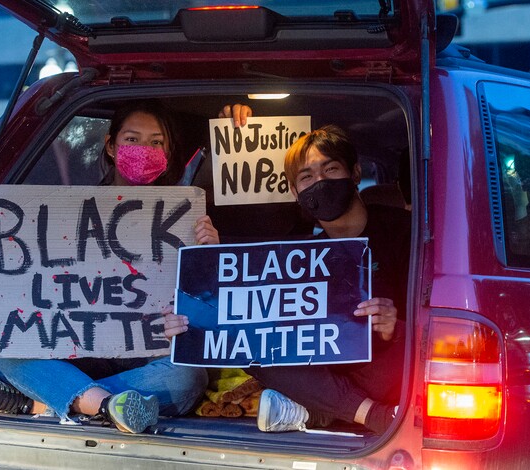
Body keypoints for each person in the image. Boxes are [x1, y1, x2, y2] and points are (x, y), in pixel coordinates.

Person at [0, 100, 219, 434]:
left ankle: (36, 403)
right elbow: (20, 269)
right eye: (132, 139)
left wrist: (210, 256)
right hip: (68, 352)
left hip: (143, 357)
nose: (144, 149)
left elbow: (208, 311)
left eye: (156, 142)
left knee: (189, 377)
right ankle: (108, 406)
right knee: (3, 356)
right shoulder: (62, 209)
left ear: (167, 153)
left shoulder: (185, 218)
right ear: (111, 146)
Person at [170, 113, 410, 435]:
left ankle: (318, 410)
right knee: (247, 340)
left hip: (390, 371)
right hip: (328, 375)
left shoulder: (407, 232)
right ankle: (366, 415)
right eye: (306, 177)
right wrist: (191, 316)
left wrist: (396, 327)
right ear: (296, 193)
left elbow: (440, 325)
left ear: (354, 173)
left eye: (330, 169)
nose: (320, 182)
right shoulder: (303, 257)